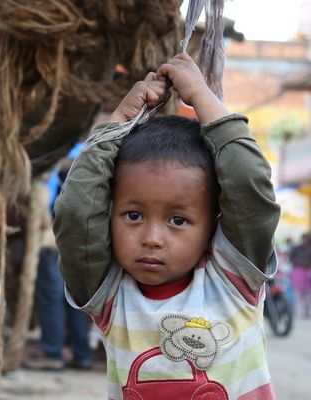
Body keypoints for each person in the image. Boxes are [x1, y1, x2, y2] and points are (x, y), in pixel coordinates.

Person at [54, 53, 280, 399]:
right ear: (109, 214)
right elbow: (76, 213)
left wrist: (203, 98)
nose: (152, 239)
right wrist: (117, 124)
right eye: (133, 215)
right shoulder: (109, 293)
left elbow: (249, 183)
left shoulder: (233, 277)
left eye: (178, 220)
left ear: (213, 225)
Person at [23, 168, 92, 371]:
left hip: (53, 235)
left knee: (51, 295)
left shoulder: (55, 158)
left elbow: (45, 192)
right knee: (76, 296)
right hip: (82, 236)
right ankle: (82, 353)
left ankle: (53, 353)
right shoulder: (90, 153)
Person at [290, 233, 311, 317]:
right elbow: (291, 258)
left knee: (308, 293)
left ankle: (307, 311)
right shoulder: (297, 248)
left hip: (308, 272)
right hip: (298, 272)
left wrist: (306, 263)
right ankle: (299, 310)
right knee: (298, 292)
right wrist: (301, 262)